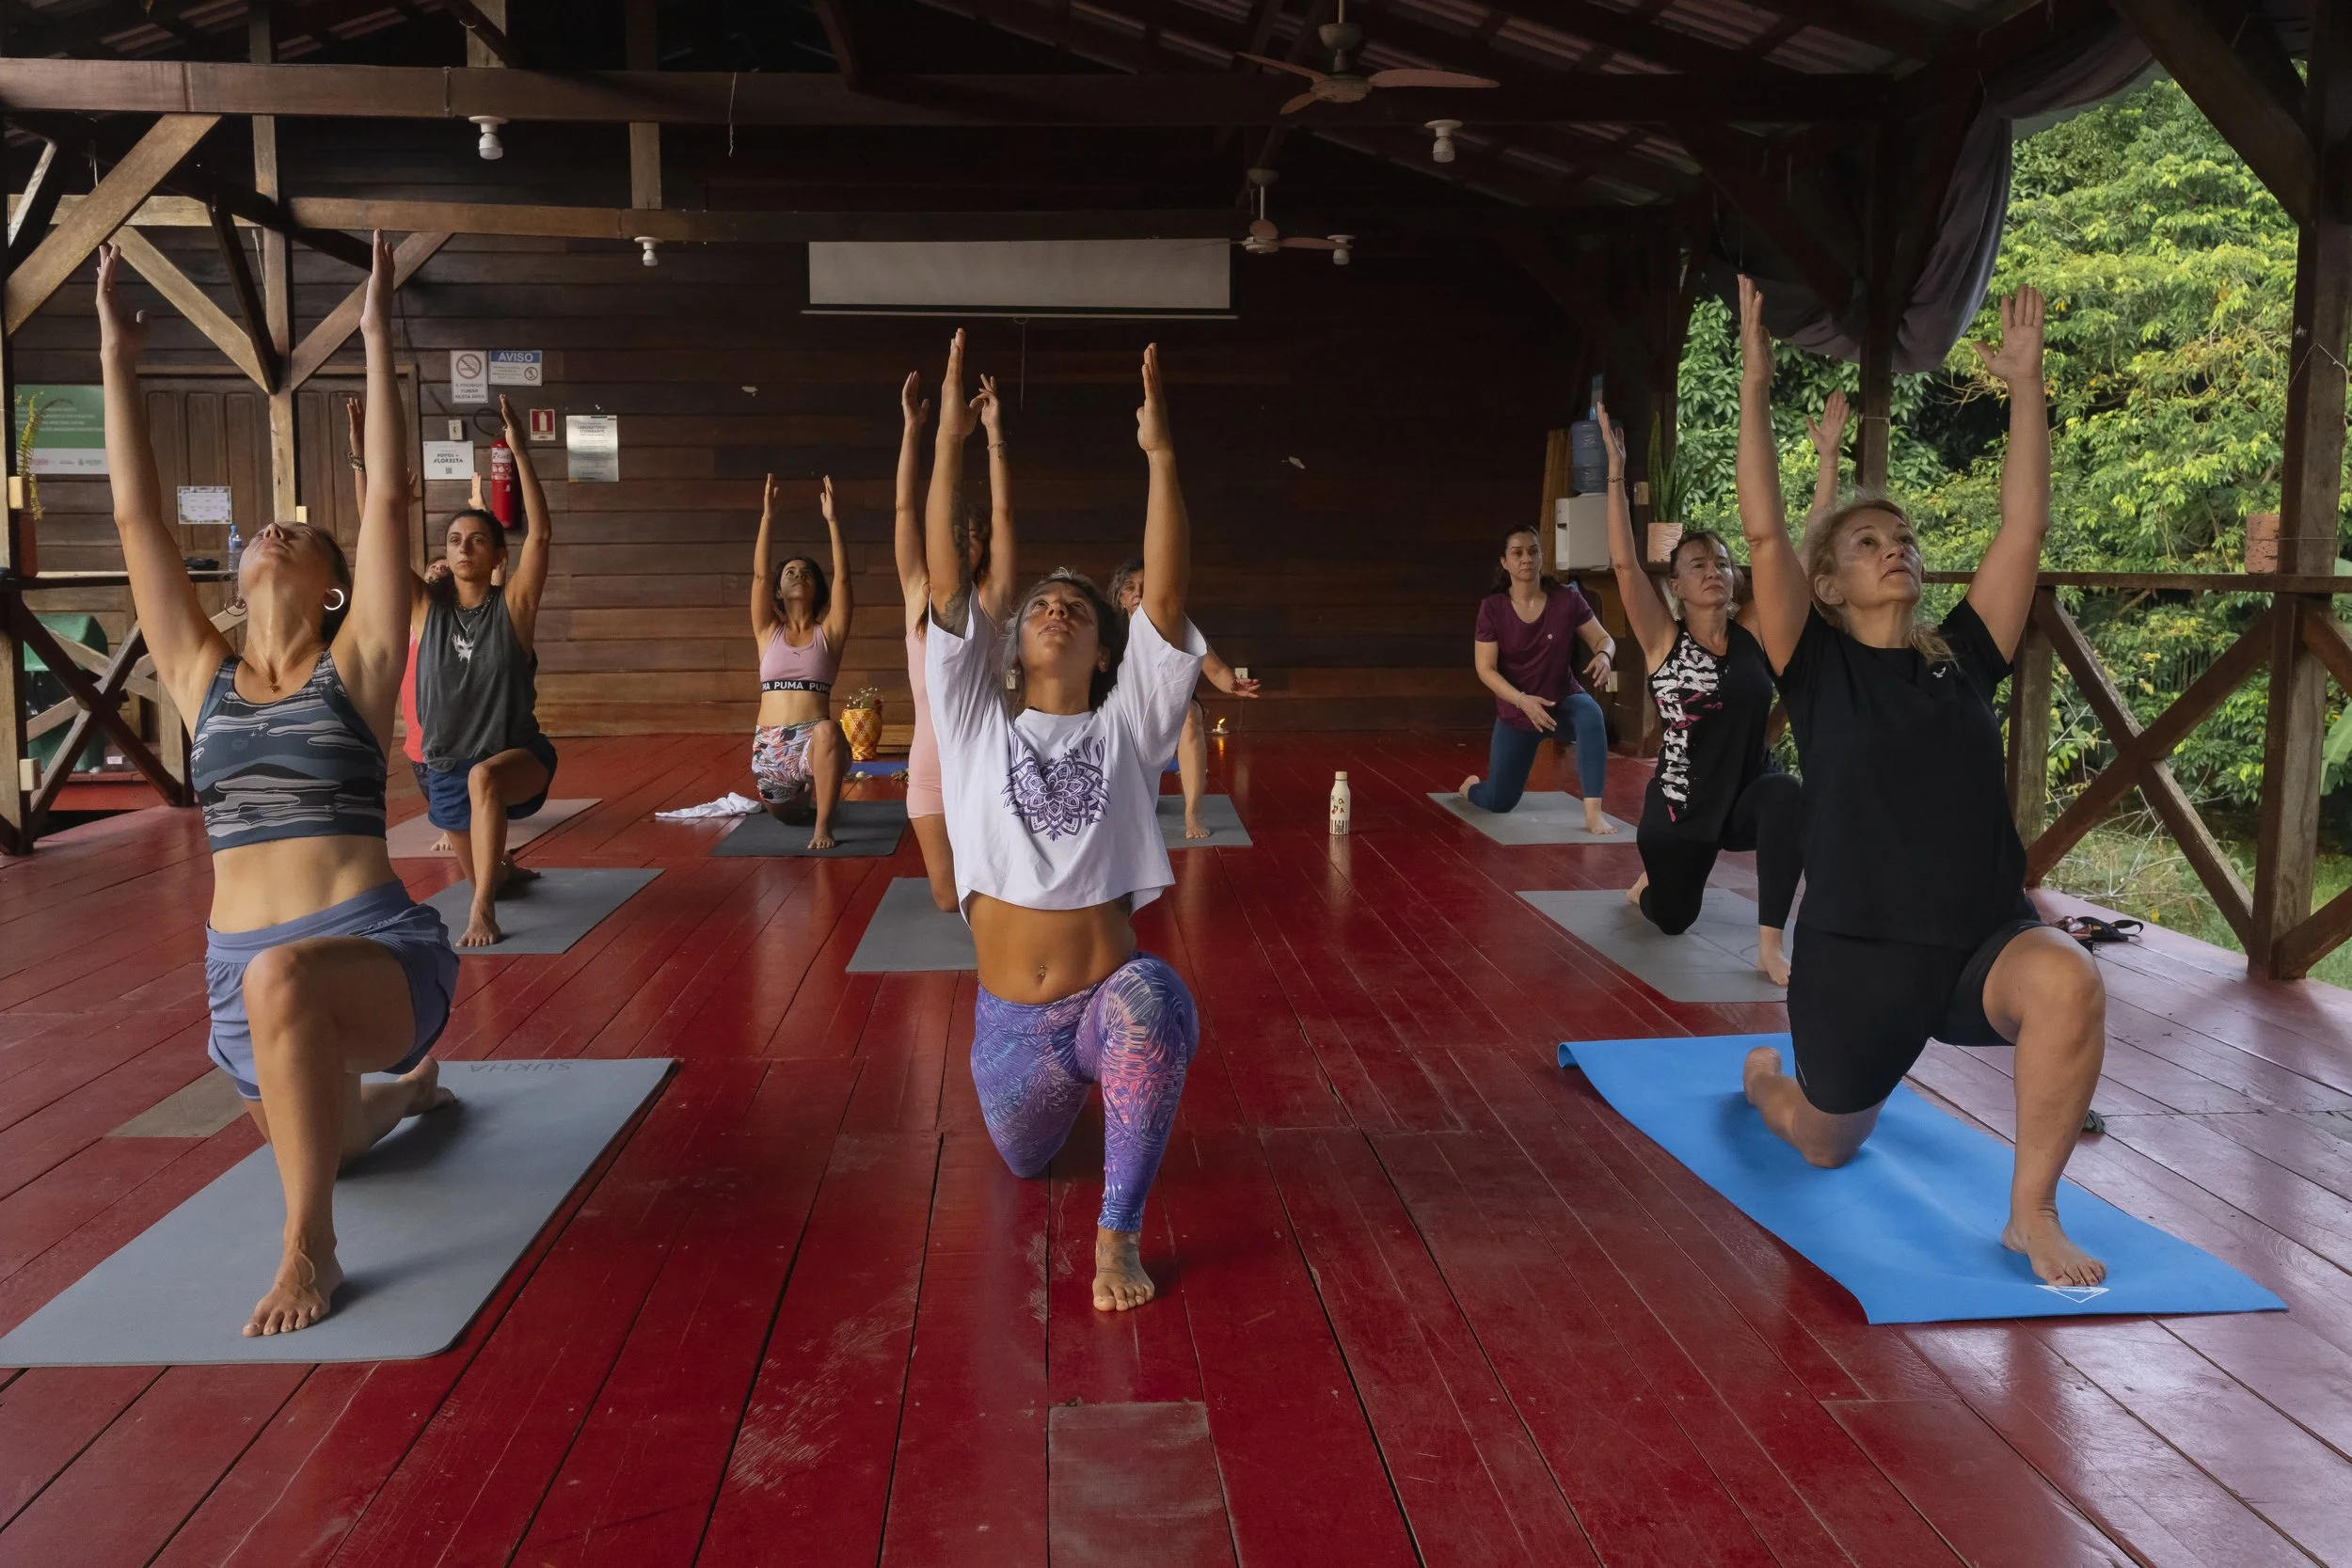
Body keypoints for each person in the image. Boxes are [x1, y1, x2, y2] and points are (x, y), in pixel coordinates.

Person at [96, 235, 458, 1337]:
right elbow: (135, 521)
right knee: (336, 1129)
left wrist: (377, 330)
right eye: (264, 526)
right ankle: (408, 1092)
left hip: (373, 952)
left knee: (288, 991)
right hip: (232, 979)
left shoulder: (356, 664)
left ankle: (311, 1247)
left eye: (298, 530)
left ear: (335, 582)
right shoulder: (202, 675)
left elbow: (391, 499)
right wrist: (116, 355)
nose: (274, 525)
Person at [1730, 275, 2107, 1287]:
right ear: (1830, 583)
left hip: (1979, 943)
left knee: (2071, 979)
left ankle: (2030, 1214)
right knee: (1820, 1139)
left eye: (1902, 540)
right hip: (1858, 963)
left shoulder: (1960, 658)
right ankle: (1767, 1081)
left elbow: (2021, 532)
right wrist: (1756, 389)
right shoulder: (1815, 667)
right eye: (1867, 543)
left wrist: (2024, 386)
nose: (1893, 550)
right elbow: (1765, 533)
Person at [925, 329, 1202, 1312]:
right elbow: (950, 582)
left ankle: (1117, 1234)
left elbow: (1164, 599)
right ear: (1012, 642)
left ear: (1101, 646)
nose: (1053, 608)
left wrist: (1160, 453)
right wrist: (951, 440)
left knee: (1154, 997)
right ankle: (1073, 1113)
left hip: (1099, 999)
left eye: (1075, 606)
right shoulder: (970, 723)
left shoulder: (1129, 725)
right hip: (1011, 1040)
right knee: (1025, 1163)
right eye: (1040, 602)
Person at [1597, 399, 1804, 985]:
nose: (1713, 570)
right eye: (1697, 564)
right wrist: (1617, 472)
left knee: (1785, 796)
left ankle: (1769, 948)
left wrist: (1829, 466)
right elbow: (1623, 565)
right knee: (1671, 920)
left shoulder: (1752, 633)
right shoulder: (1665, 640)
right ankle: (1651, 885)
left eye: (1721, 561)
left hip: (1740, 802)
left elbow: (1792, 554)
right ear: (1677, 586)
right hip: (1680, 815)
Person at [410, 395, 557, 947]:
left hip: (517, 760)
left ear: (498, 555)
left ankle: (483, 914)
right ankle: (502, 874)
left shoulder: (513, 608)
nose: (464, 548)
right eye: (454, 541)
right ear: (444, 555)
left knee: (484, 781)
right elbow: (380, 542)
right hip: (444, 765)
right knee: (483, 862)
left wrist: (519, 451)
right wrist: (366, 474)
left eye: (477, 540)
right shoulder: (427, 612)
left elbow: (539, 538)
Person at [895, 366, 1016, 911]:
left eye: (973, 537)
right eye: (956, 536)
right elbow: (905, 512)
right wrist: (913, 430)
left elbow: (1005, 513)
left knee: (995, 883)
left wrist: (993, 436)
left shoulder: (992, 599)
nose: (964, 544)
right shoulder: (920, 591)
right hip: (929, 761)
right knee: (948, 898)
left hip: (989, 754)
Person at [1459, 527, 1616, 832]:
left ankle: (1593, 813)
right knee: (1499, 802)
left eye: (1533, 551)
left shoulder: (1566, 599)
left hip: (1562, 702)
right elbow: (1485, 669)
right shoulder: (1493, 608)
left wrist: (1605, 656)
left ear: (1542, 557)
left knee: (1591, 715)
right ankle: (1470, 788)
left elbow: (1604, 639)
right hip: (1518, 713)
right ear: (1505, 562)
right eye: (1517, 552)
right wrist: (1521, 700)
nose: (1526, 558)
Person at [1108, 559, 1260, 838]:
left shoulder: (1176, 624)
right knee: (1138, 804)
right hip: (1125, 713)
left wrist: (1231, 683)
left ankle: (1193, 812)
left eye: (1146, 586)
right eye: (1131, 588)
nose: (1139, 593)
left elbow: (1213, 667)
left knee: (1191, 716)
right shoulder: (1109, 632)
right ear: (1120, 598)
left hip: (1168, 706)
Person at [750, 472, 852, 849]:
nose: (798, 576)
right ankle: (812, 799)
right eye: (790, 572)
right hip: (771, 748)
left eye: (806, 573)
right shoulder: (767, 632)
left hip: (813, 740)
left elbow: (843, 580)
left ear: (815, 588)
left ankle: (823, 825)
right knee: (788, 816)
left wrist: (833, 520)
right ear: (780, 589)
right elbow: (760, 576)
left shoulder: (830, 634)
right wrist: (767, 518)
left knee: (828, 729)